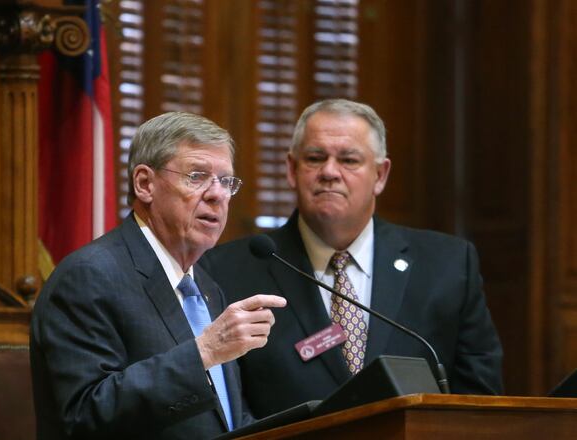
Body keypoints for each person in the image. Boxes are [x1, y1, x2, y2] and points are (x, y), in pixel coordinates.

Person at [200, 98, 504, 418]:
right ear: (291, 169)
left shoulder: (448, 265)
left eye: (349, 160)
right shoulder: (227, 270)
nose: (330, 172)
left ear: (381, 174)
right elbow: (225, 407)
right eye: (316, 158)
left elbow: (480, 400)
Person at [30, 111, 287, 439]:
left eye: (226, 181)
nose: (217, 194)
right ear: (144, 184)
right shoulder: (88, 277)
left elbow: (228, 421)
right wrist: (203, 352)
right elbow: (84, 415)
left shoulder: (206, 287)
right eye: (197, 176)